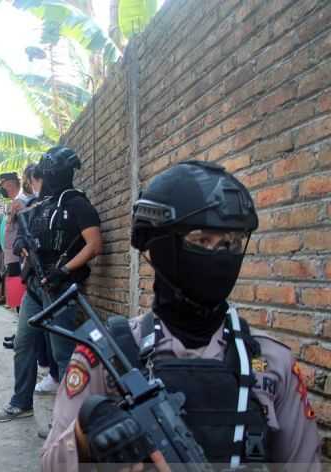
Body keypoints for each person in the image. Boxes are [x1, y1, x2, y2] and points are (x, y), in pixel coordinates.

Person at [42, 160, 321, 471]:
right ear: (158, 246)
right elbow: (51, 464)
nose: (219, 256)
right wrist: (84, 434)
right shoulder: (108, 355)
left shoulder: (272, 363)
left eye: (231, 243)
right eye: (202, 240)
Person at [0, 146, 102, 423]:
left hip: (60, 288)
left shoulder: (77, 203)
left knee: (62, 352)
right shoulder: (42, 205)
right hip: (35, 287)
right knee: (24, 344)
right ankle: (21, 402)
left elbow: (94, 245)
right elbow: (24, 239)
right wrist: (21, 245)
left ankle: (66, 417)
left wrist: (63, 269)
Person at [0, 172, 28, 311]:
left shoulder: (21, 201)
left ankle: (23, 328)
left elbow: (25, 228)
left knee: (20, 290)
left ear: (10, 184)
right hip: (11, 254)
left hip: (18, 254)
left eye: (3, 186)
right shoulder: (15, 202)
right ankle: (20, 327)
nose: (3, 190)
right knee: (16, 290)